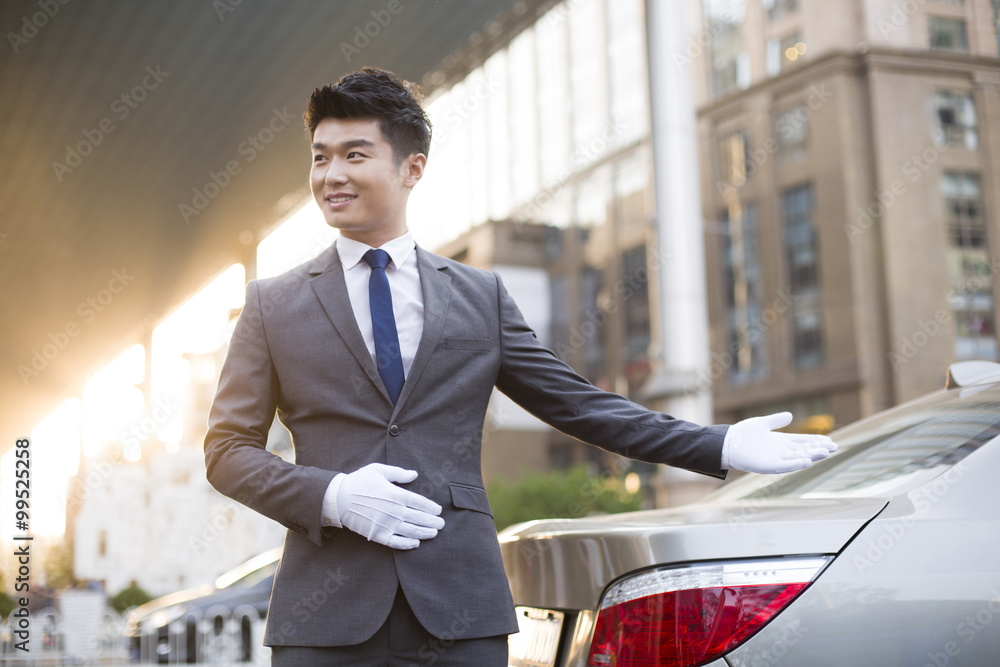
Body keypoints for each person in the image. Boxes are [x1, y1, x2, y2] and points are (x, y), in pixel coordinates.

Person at [203, 66, 836, 666]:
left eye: (354, 154)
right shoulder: (272, 304)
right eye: (320, 155)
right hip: (326, 619)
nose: (331, 174)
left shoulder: (478, 296)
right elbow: (227, 449)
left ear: (411, 168)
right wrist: (334, 496)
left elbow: (580, 405)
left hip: (461, 613)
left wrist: (718, 444)